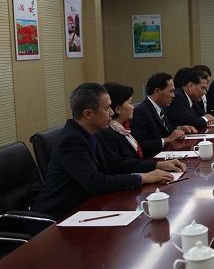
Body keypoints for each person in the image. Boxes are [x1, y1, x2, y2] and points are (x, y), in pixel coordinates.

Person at [32, 83, 182, 219]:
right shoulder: (71, 141)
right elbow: (96, 182)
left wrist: (157, 165)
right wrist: (142, 178)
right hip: (61, 217)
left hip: (89, 208)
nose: (111, 113)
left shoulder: (95, 132)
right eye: (106, 108)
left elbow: (114, 163)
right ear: (88, 114)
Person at [101, 83, 187, 174]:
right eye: (130, 103)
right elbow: (120, 164)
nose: (133, 107)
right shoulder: (108, 133)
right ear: (118, 109)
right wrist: (156, 166)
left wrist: (159, 165)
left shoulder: (124, 128)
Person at [130, 72, 197, 157]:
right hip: (153, 159)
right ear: (157, 91)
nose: (173, 95)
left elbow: (162, 131)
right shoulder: (142, 111)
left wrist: (179, 128)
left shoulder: (160, 107)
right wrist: (167, 139)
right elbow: (139, 145)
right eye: (170, 91)